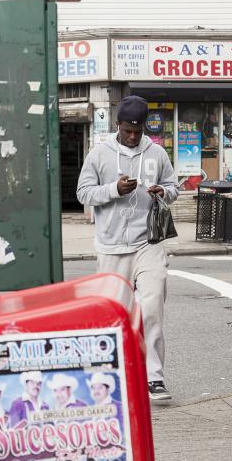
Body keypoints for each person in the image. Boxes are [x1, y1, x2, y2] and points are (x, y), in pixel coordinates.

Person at [76, 95, 179, 401]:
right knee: (113, 314)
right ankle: (109, 378)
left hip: (148, 242)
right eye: (127, 130)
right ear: (117, 124)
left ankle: (154, 378)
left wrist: (164, 192)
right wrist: (113, 190)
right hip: (110, 245)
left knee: (151, 309)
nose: (133, 136)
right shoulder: (99, 154)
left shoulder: (157, 153)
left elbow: (174, 188)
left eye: (137, 131)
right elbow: (83, 193)